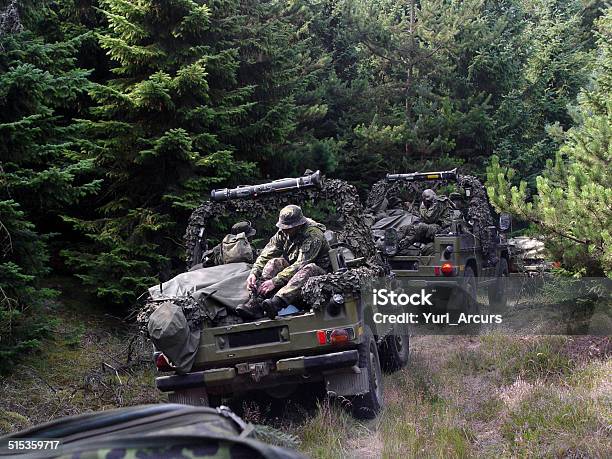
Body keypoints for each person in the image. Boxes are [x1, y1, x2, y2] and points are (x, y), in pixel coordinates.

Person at [236, 205, 330, 320]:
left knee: (310, 267)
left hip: (318, 276)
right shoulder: (283, 233)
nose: (285, 230)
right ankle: (257, 302)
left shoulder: (313, 235)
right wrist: (254, 273)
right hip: (293, 273)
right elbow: (267, 253)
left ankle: (277, 303)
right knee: (275, 262)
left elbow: (301, 264)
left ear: (298, 225)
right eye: (283, 226)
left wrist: (275, 281)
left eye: (289, 227)